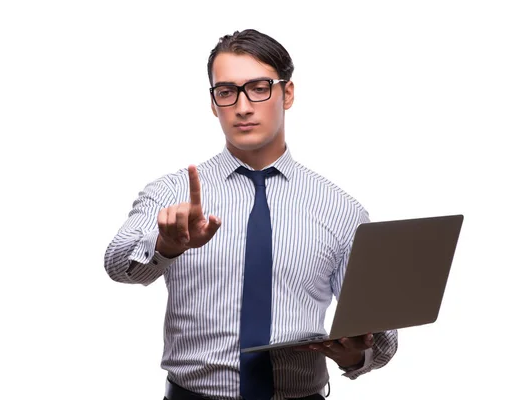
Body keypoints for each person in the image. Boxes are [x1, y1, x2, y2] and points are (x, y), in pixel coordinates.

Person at [104, 29, 398, 400]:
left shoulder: (341, 210)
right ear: (214, 103)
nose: (242, 106)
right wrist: (166, 245)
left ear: (286, 93)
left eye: (259, 87)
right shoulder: (172, 193)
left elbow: (382, 336)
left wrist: (357, 354)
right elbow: (117, 264)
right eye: (226, 92)